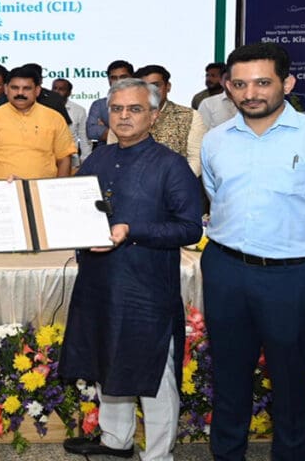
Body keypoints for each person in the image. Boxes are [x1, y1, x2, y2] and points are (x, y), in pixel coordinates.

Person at [201, 42, 305, 461]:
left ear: (287, 83)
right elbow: (216, 196)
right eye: (239, 84)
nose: (250, 93)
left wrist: (303, 255)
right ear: (227, 88)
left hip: (294, 278)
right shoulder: (215, 140)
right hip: (225, 270)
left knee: (290, 383)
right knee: (229, 378)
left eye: (263, 82)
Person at [60, 78, 202, 461]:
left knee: (154, 372)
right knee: (109, 358)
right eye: (117, 109)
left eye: (134, 109)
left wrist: (132, 230)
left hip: (146, 286)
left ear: (153, 116)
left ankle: (158, 454)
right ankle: (115, 439)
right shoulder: (98, 158)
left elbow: (190, 227)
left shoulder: (170, 166)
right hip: (99, 280)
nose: (124, 117)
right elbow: (71, 206)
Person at [0, 64, 76, 180]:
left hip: (41, 191)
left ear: (37, 90)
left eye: (27, 88)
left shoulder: (55, 118)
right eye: (14, 88)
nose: (20, 93)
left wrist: (59, 189)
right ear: (6, 89)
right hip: (0, 192)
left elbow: (64, 159)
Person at [113, 65, 205, 176]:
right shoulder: (123, 116)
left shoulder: (190, 116)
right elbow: (113, 155)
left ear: (168, 87)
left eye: (156, 85)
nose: (151, 91)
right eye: (145, 86)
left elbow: (196, 160)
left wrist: (174, 183)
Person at [87, 60, 134, 149]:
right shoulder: (99, 105)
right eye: (114, 78)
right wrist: (130, 133)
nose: (119, 81)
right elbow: (91, 131)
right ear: (109, 80)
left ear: (132, 78)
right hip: (106, 155)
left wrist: (106, 130)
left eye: (123, 77)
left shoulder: (143, 103)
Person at [51, 78, 90, 165]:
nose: (57, 92)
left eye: (61, 89)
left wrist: (85, 159)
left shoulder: (79, 110)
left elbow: (84, 137)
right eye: (54, 88)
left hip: (71, 159)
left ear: (69, 93)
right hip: (48, 158)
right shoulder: (44, 108)